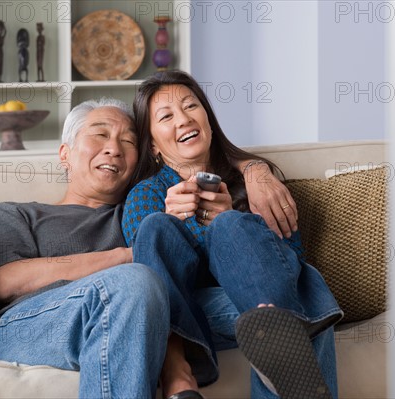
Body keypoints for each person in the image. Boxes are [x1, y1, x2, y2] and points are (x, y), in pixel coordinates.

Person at [122, 71, 343, 399]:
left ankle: (277, 331)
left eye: (191, 106)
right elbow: (146, 277)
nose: (183, 119)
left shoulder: (254, 184)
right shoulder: (147, 193)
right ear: (153, 144)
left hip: (258, 309)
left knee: (298, 276)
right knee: (308, 290)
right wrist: (178, 222)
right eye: (166, 116)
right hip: (189, 311)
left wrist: (232, 224)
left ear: (208, 120)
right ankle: (282, 327)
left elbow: (291, 257)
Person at [0, 99, 170, 398]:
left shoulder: (139, 213)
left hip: (135, 313)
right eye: (100, 135)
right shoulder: (13, 214)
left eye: (128, 140)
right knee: (135, 280)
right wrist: (125, 257)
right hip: (32, 327)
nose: (114, 148)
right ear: (65, 153)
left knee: (257, 303)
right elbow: (5, 283)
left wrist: (251, 168)